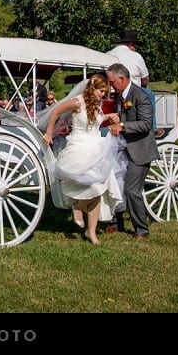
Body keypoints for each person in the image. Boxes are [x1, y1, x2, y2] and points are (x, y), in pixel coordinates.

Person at [41, 74, 121, 245]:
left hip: (96, 147)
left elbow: (95, 122)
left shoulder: (97, 105)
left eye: (104, 91)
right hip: (79, 147)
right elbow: (55, 111)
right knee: (91, 186)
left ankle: (91, 232)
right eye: (101, 91)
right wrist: (49, 132)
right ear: (92, 88)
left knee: (99, 189)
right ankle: (77, 206)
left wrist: (108, 117)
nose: (103, 95)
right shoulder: (77, 102)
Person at [103, 62, 157, 240]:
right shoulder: (120, 96)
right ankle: (116, 222)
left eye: (112, 82)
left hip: (140, 151)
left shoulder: (140, 96)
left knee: (132, 189)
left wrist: (123, 125)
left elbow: (146, 124)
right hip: (123, 148)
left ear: (122, 78)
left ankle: (141, 230)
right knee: (117, 185)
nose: (110, 86)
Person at [107, 28, 157, 114]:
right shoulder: (136, 56)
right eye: (135, 45)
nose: (135, 48)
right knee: (149, 93)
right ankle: (151, 126)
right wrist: (144, 86)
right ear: (130, 44)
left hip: (110, 93)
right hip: (131, 93)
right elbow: (145, 79)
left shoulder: (107, 54)